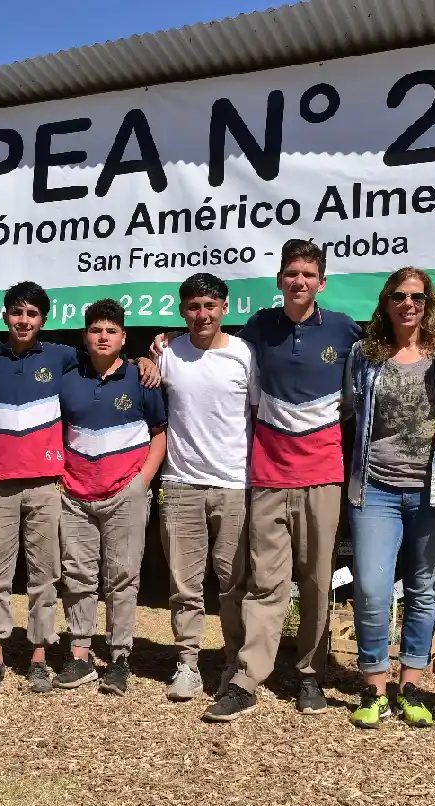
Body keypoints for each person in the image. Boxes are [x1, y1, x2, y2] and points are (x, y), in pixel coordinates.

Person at [156, 240, 362, 722]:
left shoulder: (344, 330)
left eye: (308, 274)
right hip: (267, 476)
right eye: (291, 273)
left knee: (315, 582)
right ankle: (246, 679)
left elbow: (355, 398)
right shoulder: (257, 331)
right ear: (279, 280)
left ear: (322, 282)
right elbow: (205, 343)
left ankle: (311, 674)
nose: (299, 282)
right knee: (266, 584)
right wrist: (163, 341)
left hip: (322, 476)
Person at [0, 281, 161, 694]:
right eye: (17, 312)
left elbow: (158, 426)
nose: (23, 320)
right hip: (30, 487)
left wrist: (149, 355)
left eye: (32, 313)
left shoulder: (81, 363)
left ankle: (81, 656)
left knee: (79, 575)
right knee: (30, 576)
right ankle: (32, 656)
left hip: (79, 489)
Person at [341, 268, 435, 729]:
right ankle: (373, 685)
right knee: (372, 589)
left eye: (416, 296)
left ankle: (410, 684)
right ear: (386, 302)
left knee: (423, 589)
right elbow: (345, 410)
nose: (408, 303)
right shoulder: (364, 354)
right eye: (399, 295)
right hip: (374, 488)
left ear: (428, 301)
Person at [52, 300, 167, 695]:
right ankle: (80, 655)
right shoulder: (67, 379)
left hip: (125, 493)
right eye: (96, 330)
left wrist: (143, 481)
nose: (103, 336)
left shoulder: (141, 378)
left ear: (123, 337)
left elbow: (159, 432)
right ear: (85, 336)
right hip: (75, 494)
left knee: (122, 576)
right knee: (78, 575)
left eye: (111, 330)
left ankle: (120, 657)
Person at [156, 273, 255, 702]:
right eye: (194, 306)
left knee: (234, 582)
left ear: (224, 308)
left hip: (234, 483)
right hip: (180, 483)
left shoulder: (243, 355)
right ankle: (188, 662)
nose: (202, 314)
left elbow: (258, 415)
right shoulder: (166, 354)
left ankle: (234, 661)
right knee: (185, 583)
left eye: (210, 306)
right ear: (182, 311)